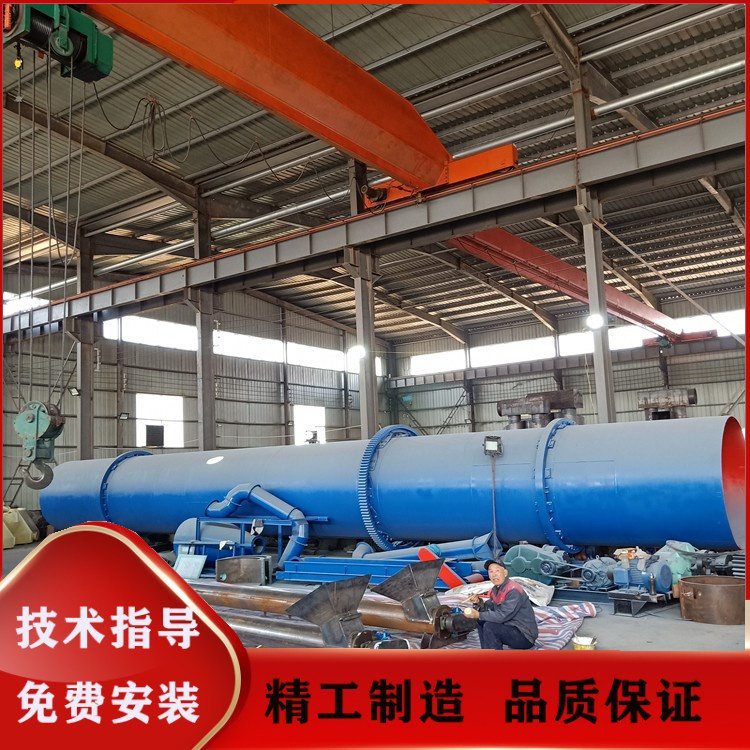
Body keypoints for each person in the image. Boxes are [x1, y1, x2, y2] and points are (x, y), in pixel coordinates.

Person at [463, 559, 538, 650]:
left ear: (505, 573)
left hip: (524, 635)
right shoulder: (496, 589)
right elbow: (489, 608)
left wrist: (478, 614)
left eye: (497, 570)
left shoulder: (513, 591)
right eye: (491, 571)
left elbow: (502, 616)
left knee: (490, 627)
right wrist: (478, 602)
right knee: (481, 621)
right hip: (509, 626)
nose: (494, 574)